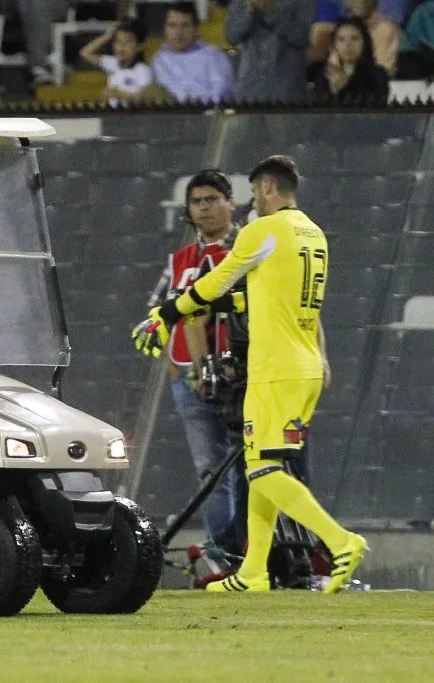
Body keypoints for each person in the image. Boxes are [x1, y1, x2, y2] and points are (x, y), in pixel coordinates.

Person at [133, 155, 368, 594]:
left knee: (263, 470)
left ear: (268, 188)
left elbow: (217, 280)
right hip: (304, 367)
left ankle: (340, 541)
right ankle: (254, 571)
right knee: (264, 464)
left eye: (255, 192)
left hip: (274, 369)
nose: (253, 202)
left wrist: (168, 313)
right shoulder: (312, 233)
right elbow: (255, 297)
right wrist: (204, 307)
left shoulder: (263, 231)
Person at [145, 170, 244, 572]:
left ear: (230, 202)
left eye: (212, 199)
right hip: (188, 379)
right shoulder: (179, 260)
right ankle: (223, 558)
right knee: (209, 471)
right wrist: (171, 366)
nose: (204, 207)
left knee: (249, 469)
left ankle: (251, 553)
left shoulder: (248, 248)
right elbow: (155, 315)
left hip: (241, 375)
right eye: (197, 201)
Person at [225, 0, 312, 104]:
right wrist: (249, 11)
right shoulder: (241, 1)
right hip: (249, 88)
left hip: (286, 90)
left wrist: (270, 11)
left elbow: (302, 37)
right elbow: (232, 36)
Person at [307, 16, 389, 105]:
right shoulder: (322, 73)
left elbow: (373, 106)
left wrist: (343, 87)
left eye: (354, 38)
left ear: (365, 43)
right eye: (341, 39)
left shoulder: (378, 75)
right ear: (333, 45)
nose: (348, 44)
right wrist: (333, 89)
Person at [78, 19, 155, 107]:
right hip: (112, 113)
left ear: (139, 46)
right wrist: (106, 37)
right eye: (118, 42)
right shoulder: (112, 63)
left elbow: (147, 98)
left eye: (127, 43)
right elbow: (85, 53)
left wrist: (119, 94)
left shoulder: (143, 70)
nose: (121, 48)